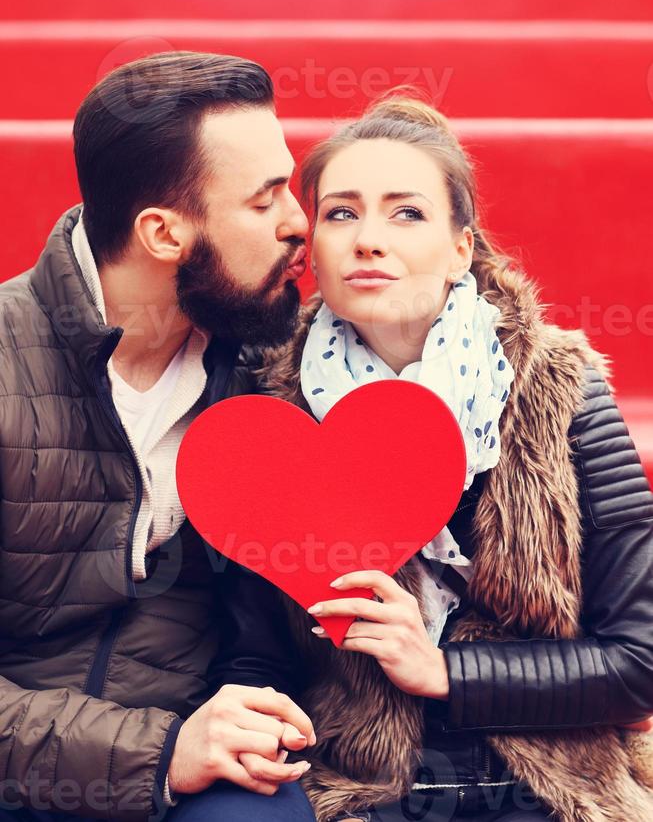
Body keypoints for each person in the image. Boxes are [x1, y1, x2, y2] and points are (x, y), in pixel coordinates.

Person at [253, 94, 653, 821]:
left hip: (554, 792)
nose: (368, 239)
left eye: (406, 213)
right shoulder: (273, 414)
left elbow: (639, 661)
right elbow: (251, 651)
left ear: (460, 249)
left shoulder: (557, 390)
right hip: (360, 795)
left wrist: (443, 671)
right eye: (340, 212)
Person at [0, 52, 318, 822]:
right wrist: (157, 752)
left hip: (191, 741)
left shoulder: (259, 365)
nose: (297, 223)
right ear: (164, 233)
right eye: (264, 199)